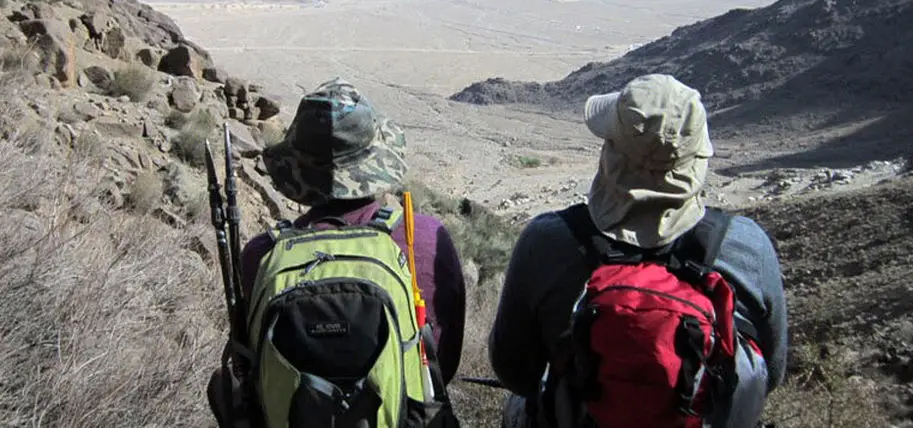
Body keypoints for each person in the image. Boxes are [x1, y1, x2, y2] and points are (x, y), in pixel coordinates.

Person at [488, 73, 788, 428]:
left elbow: (515, 373)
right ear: (694, 163)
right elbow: (770, 374)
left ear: (612, 158)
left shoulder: (547, 242)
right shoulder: (746, 248)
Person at [208, 77, 467, 426]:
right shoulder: (425, 237)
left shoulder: (261, 255)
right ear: (378, 158)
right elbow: (440, 368)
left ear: (297, 169)